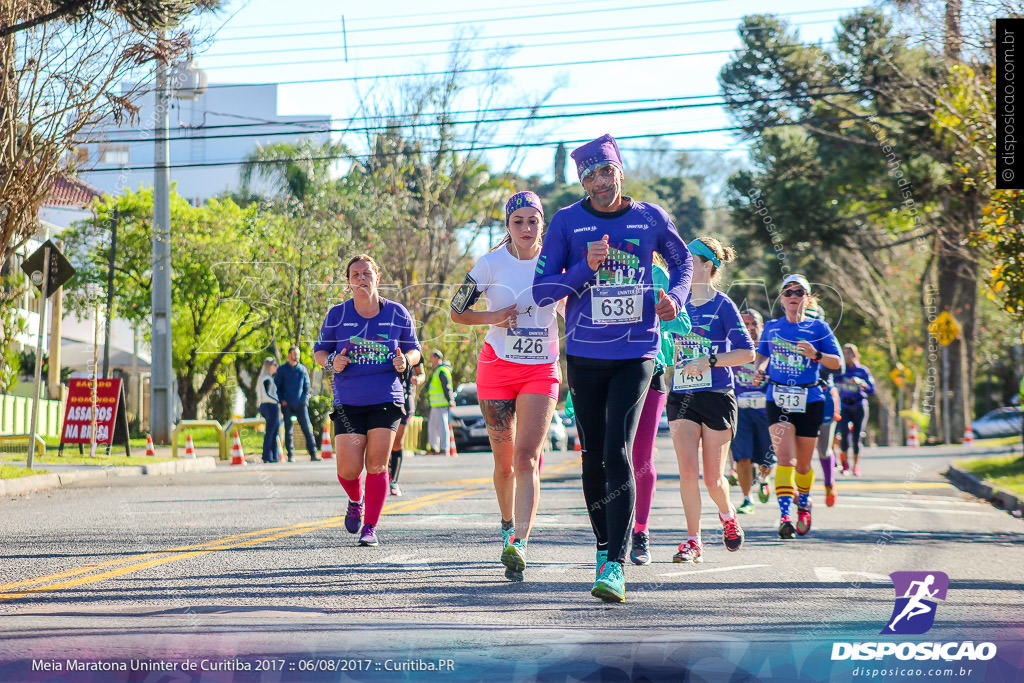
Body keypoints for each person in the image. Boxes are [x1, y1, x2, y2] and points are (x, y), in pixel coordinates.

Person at [532, 133, 693, 603]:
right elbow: (542, 293)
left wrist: (675, 299)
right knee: (593, 454)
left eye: (605, 171)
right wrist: (583, 268)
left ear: (620, 170)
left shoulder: (650, 217)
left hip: (637, 352)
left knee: (619, 452)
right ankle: (604, 548)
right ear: (581, 182)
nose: (598, 182)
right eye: (588, 175)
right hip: (584, 353)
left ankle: (616, 565)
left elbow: (682, 262)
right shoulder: (566, 222)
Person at [450, 190, 562, 582]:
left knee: (527, 457)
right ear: (508, 226)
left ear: (542, 224)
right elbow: (456, 311)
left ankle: (520, 542)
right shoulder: (489, 263)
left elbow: (572, 305)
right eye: (519, 222)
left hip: (541, 369)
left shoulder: (556, 261)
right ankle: (506, 520)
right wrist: (494, 317)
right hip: (496, 368)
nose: (527, 228)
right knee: (504, 463)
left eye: (534, 221)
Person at [313, 254, 422, 547]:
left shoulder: (397, 313)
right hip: (348, 400)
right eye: (355, 275)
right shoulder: (337, 314)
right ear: (349, 282)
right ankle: (355, 498)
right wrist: (332, 361)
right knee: (348, 470)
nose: (362, 278)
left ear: (377, 276)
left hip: (386, 397)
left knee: (376, 465)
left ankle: (370, 527)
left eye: (366, 273)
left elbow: (415, 351)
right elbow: (320, 352)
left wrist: (405, 361)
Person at [664, 236, 754, 563]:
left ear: (708, 266)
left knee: (712, 478)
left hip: (717, 395)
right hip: (682, 395)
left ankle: (728, 515)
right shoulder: (676, 302)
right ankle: (693, 541)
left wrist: (711, 360)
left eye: (692, 259)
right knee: (687, 472)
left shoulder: (723, 305)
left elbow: (747, 353)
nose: (685, 265)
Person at [752, 275, 842, 539]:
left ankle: (803, 502)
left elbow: (838, 363)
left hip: (810, 399)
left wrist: (816, 355)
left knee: (803, 465)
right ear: (781, 299)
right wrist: (759, 369)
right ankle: (785, 515)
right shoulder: (772, 327)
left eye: (799, 292)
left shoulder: (820, 328)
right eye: (788, 292)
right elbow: (762, 355)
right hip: (777, 397)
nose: (793, 296)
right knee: (784, 459)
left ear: (806, 297)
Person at [628, 257, 691, 565]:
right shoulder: (597, 267)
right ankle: (612, 534)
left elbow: (684, 324)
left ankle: (640, 532)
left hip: (651, 371)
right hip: (606, 370)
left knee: (641, 457)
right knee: (608, 456)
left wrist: (659, 309)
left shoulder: (656, 273)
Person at [730, 309, 776, 514]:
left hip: (766, 411)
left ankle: (764, 480)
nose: (750, 329)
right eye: (745, 324)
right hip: (741, 411)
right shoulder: (733, 349)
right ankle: (747, 498)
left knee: (768, 458)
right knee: (742, 457)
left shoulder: (771, 351)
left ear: (762, 327)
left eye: (754, 324)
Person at [274, 346, 321, 462]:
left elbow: (307, 386)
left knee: (307, 428)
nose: (298, 357)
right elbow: (277, 387)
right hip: (287, 405)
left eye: (298, 354)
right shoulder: (281, 370)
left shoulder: (302, 369)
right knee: (288, 430)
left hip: (300, 404)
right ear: (289, 355)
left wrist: (304, 399)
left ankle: (313, 453)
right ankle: (290, 455)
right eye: (296, 354)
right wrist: (282, 400)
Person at [837, 343, 875, 476]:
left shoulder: (862, 370)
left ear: (855, 354)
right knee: (843, 435)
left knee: (857, 436)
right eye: (845, 353)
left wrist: (861, 383)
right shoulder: (840, 370)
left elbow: (871, 389)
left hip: (859, 405)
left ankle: (856, 466)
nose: (847, 356)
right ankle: (844, 464)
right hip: (844, 406)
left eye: (849, 353)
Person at [390, 353, 425, 496]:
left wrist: (418, 379)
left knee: (397, 441)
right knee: (384, 441)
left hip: (405, 399)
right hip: (386, 398)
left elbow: (422, 373)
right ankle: (384, 474)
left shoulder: (413, 349)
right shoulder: (385, 341)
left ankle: (393, 480)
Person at [427, 350, 455, 455]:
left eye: (431, 357)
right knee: (432, 427)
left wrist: (450, 401)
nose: (430, 359)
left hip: (442, 404)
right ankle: (434, 448)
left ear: (437, 358)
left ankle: (444, 448)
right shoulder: (437, 370)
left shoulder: (442, 370)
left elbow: (446, 387)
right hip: (435, 404)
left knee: (443, 427)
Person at [257, 357, 282, 463]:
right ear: (269, 366)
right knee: (271, 431)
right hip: (269, 406)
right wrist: (278, 401)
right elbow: (267, 394)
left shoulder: (268, 378)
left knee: (274, 431)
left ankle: (273, 456)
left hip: (270, 406)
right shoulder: (266, 379)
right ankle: (267, 456)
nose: (276, 367)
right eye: (274, 365)